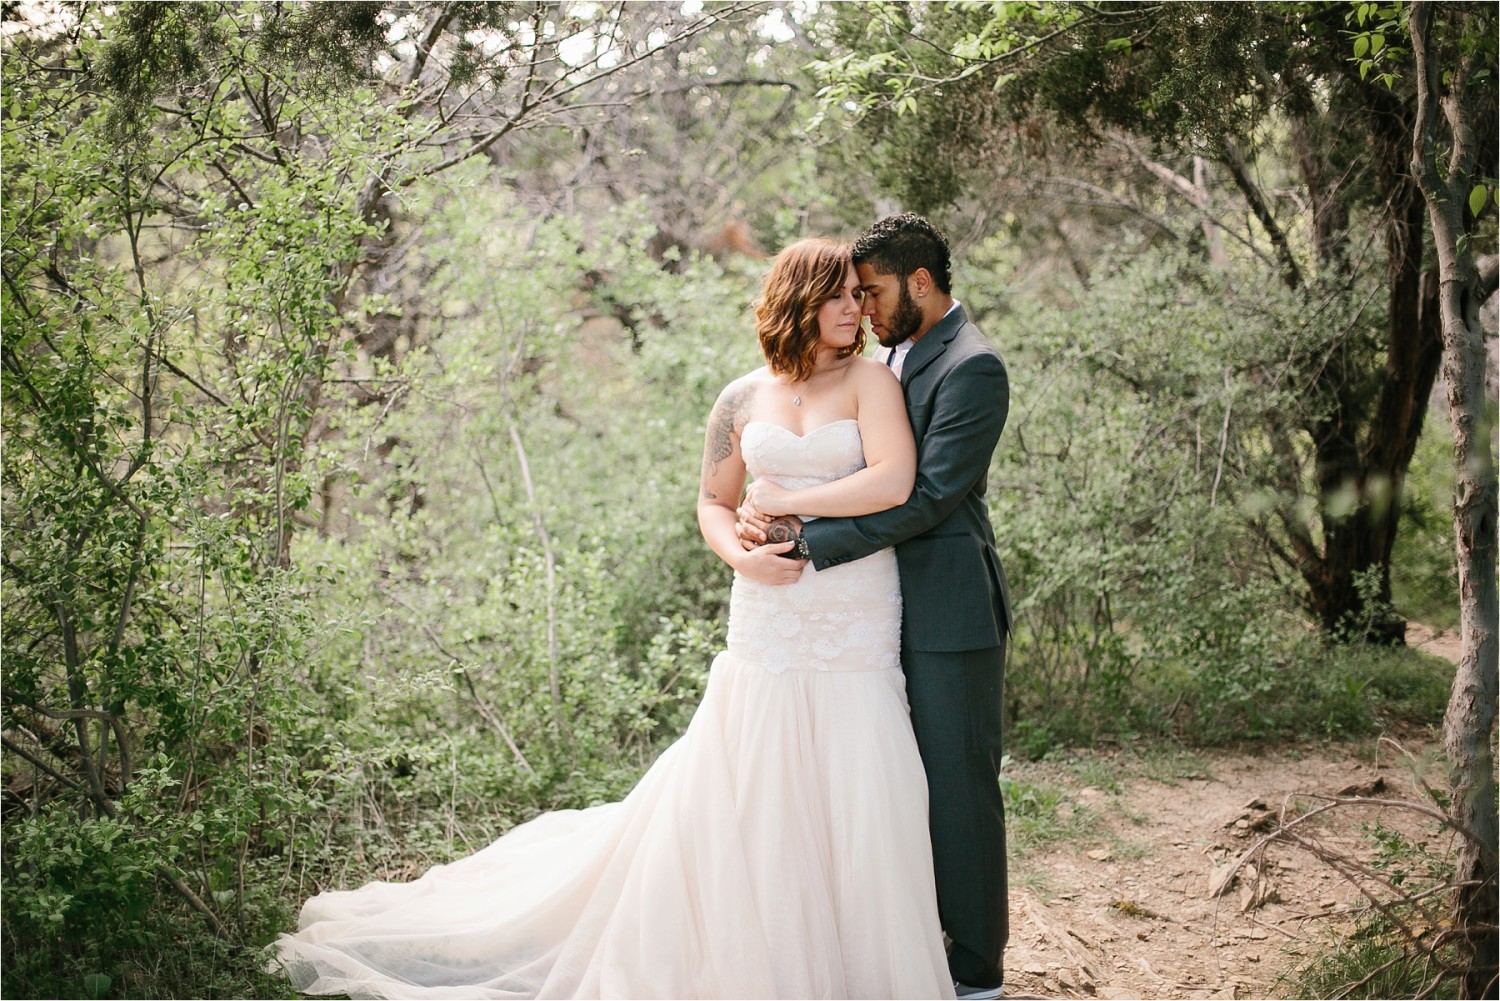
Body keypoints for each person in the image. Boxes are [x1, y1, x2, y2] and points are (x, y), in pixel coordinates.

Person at [271, 238, 957, 1000]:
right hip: (767, 603)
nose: (853, 309)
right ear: (796, 297)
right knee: (753, 770)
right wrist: (740, 555)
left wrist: (794, 503)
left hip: (851, 606)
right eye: (836, 295)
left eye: (858, 296)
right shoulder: (741, 398)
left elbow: (893, 482)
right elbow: (713, 502)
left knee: (855, 771)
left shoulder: (871, 382)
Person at [739, 214, 1012, 1000]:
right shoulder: (897, 354)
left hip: (950, 607)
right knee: (892, 786)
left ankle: (976, 972)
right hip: (881, 606)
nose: (863, 308)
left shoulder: (973, 366)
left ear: (919, 283)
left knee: (960, 789)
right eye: (853, 294)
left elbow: (927, 495)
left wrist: (805, 531)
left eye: (874, 291)